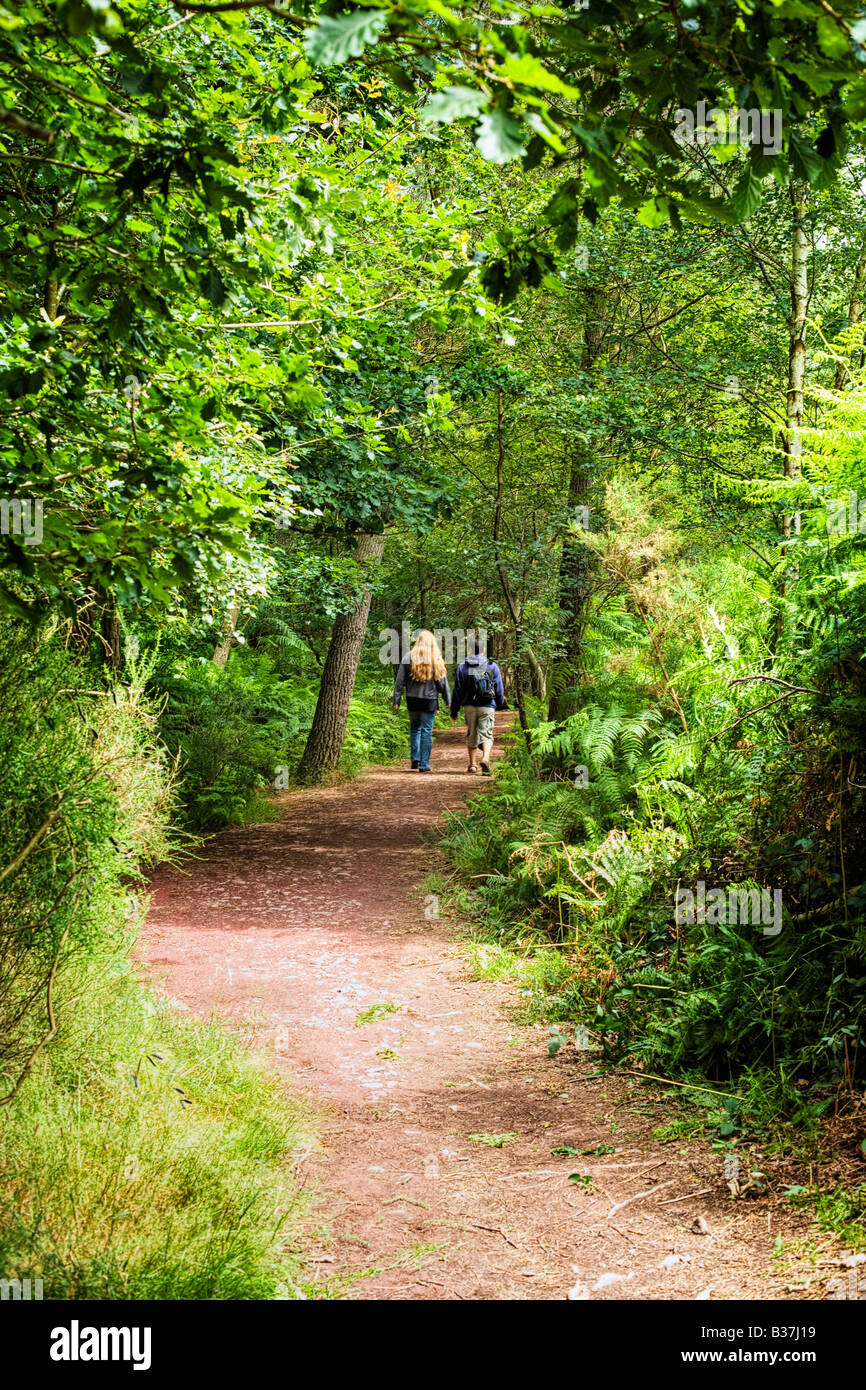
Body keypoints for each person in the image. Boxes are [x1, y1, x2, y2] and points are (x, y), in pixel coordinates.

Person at [393, 629, 451, 773]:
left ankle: (415, 758)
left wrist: (397, 700)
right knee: (426, 731)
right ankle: (424, 764)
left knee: (414, 729)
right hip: (429, 700)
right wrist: (448, 699)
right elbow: (442, 683)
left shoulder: (408, 657)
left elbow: (399, 681)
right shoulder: (435, 659)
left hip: (412, 699)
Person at [449, 635, 505, 775]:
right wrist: (499, 703)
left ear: (469, 650)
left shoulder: (463, 667)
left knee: (472, 733)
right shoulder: (492, 665)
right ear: (483, 650)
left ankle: (473, 765)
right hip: (487, 705)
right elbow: (499, 687)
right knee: (487, 733)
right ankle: (485, 758)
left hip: (469, 706)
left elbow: (458, 690)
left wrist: (454, 711)